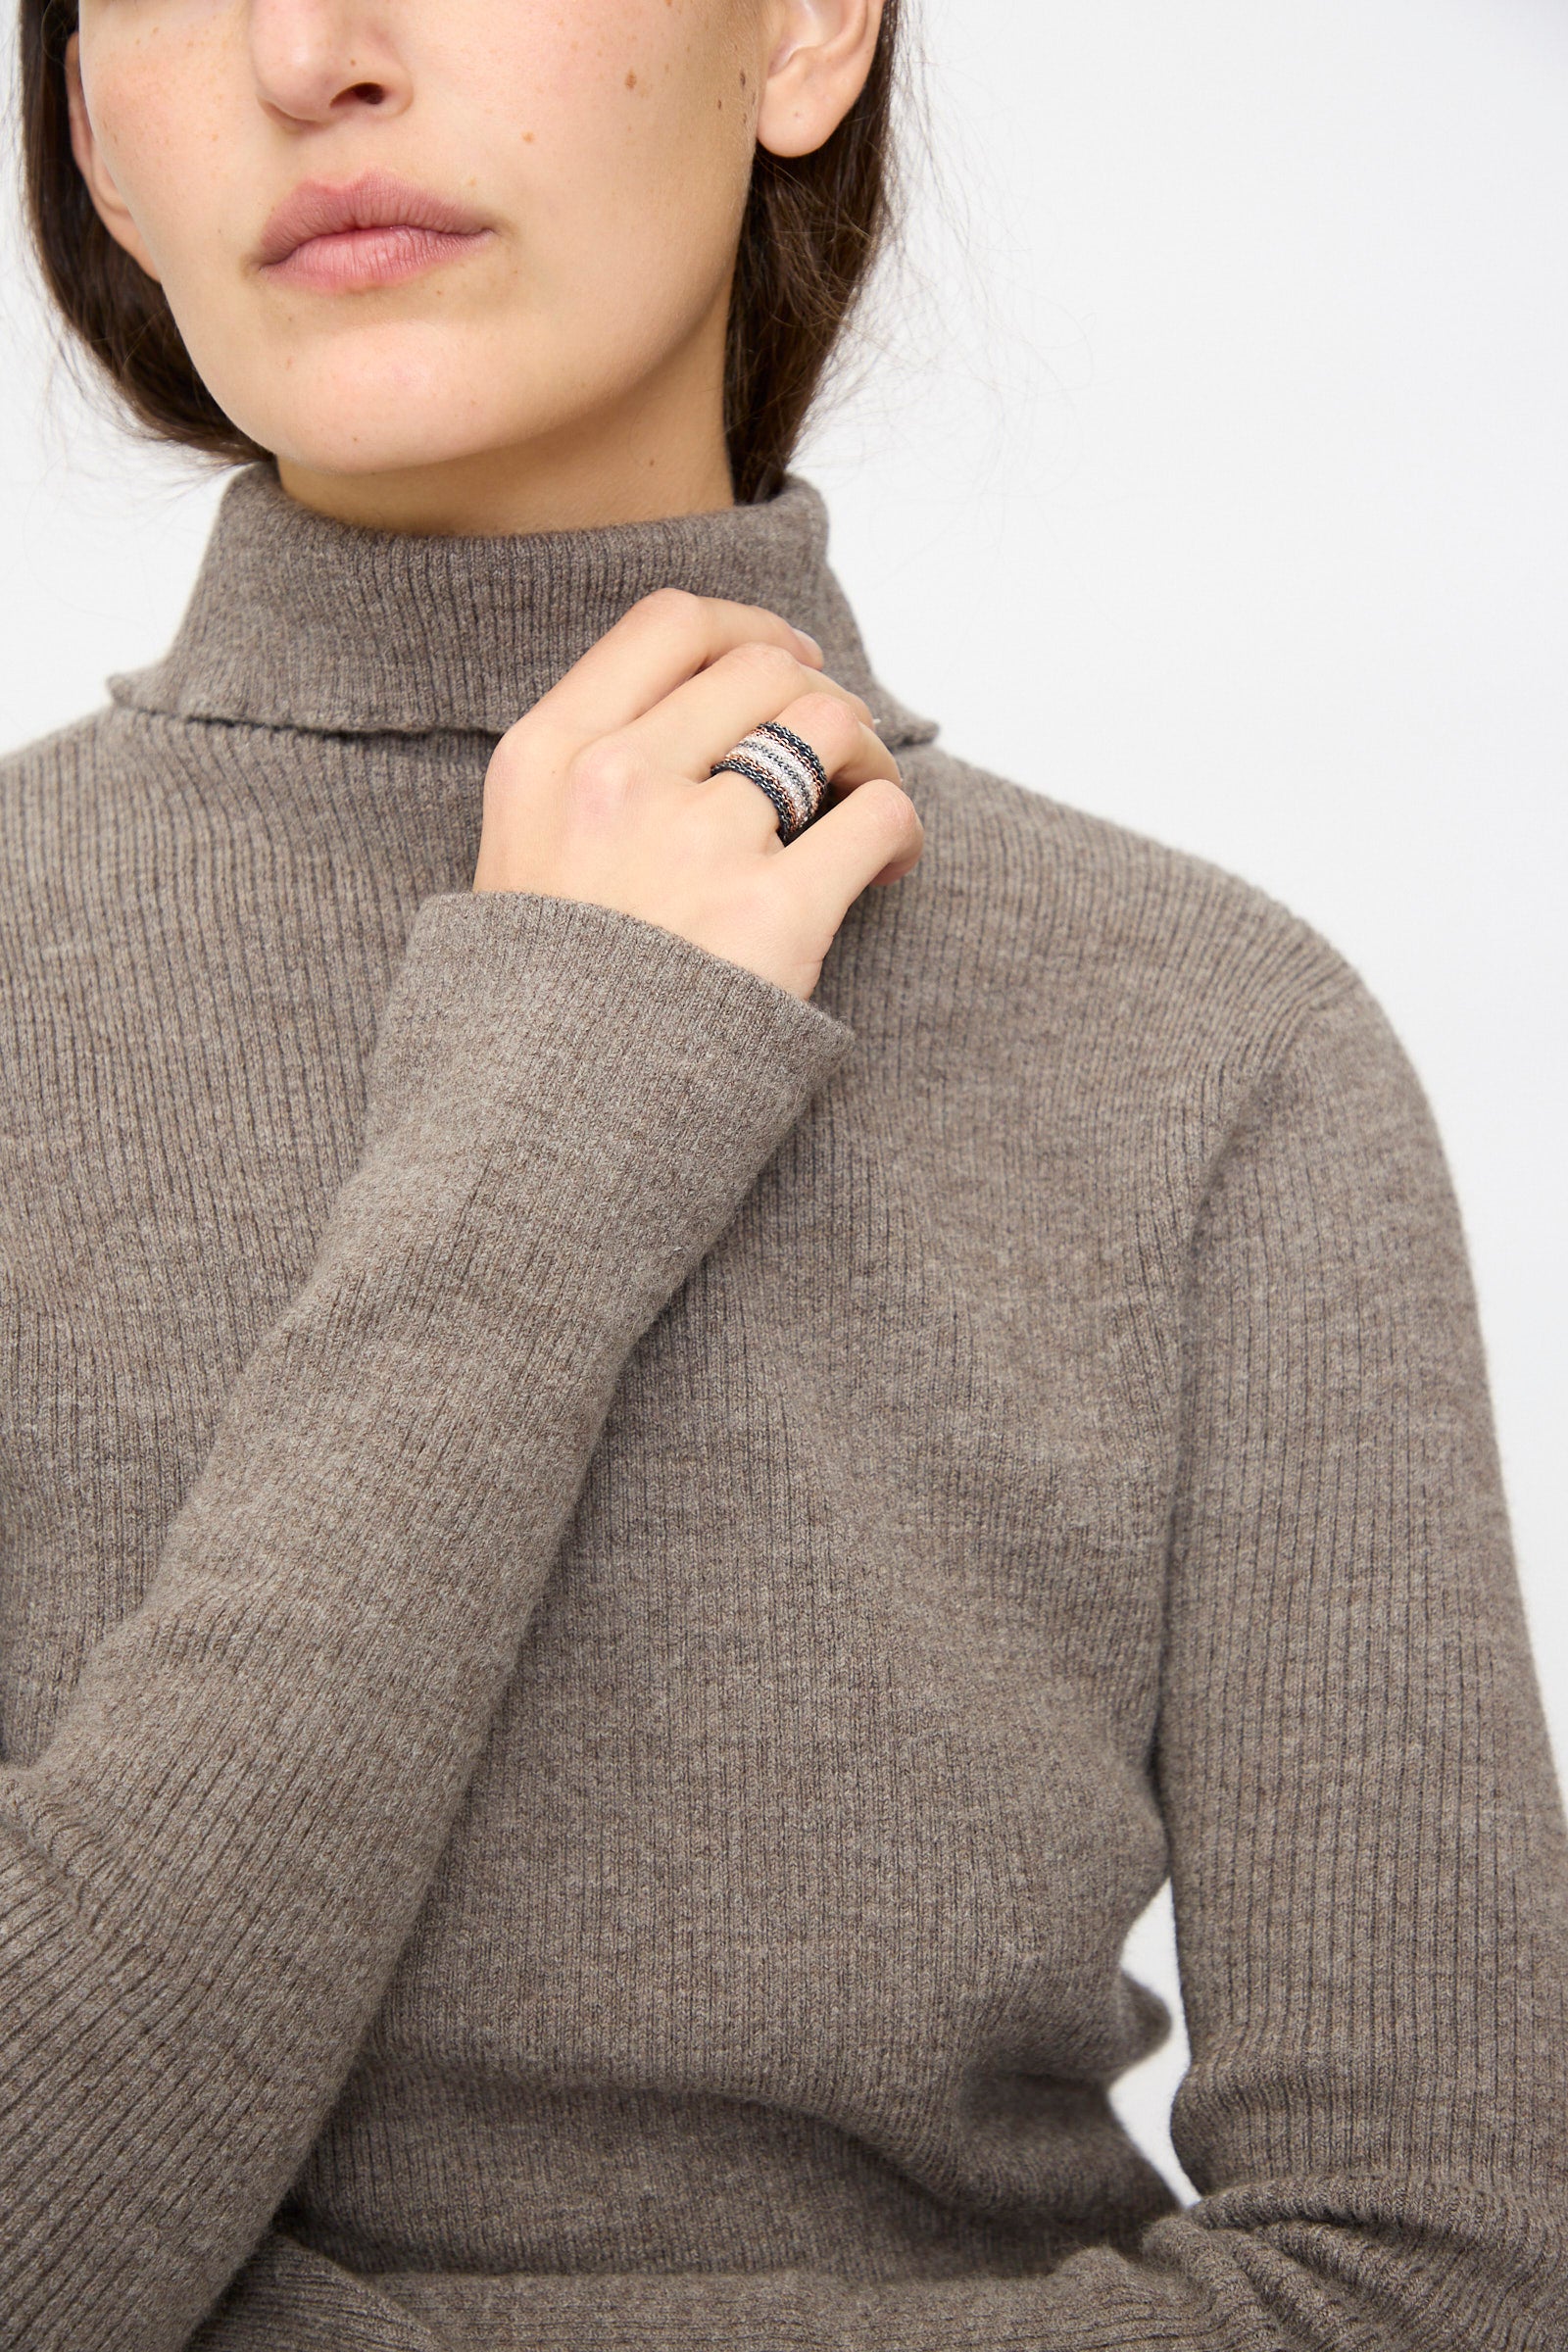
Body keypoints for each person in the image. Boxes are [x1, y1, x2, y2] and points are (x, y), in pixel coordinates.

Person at [4, 0, 1565, 2345]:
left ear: (807, 27)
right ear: (95, 143)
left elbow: (1451, 2287)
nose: (309, 46)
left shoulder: (1218, 1053)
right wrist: (567, 1096)